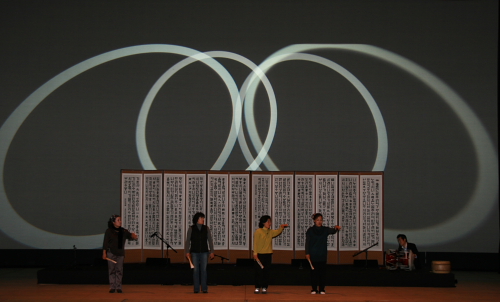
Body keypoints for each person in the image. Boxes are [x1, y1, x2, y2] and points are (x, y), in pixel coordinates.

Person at [305, 213, 341, 295]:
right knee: (314, 273)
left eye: (321, 220)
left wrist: (336, 228)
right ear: (314, 221)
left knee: (322, 273)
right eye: (317, 220)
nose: (319, 222)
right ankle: (314, 289)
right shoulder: (310, 230)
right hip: (313, 254)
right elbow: (307, 243)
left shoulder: (325, 229)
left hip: (322, 254)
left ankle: (322, 289)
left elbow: (332, 231)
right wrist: (307, 253)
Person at [253, 215, 289, 294]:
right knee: (259, 272)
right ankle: (257, 287)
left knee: (266, 271)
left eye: (270, 221)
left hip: (268, 254)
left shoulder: (270, 231)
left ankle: (265, 287)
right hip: (259, 255)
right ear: (263, 222)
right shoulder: (258, 231)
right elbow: (255, 243)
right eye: (268, 221)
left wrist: (281, 227)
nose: (270, 223)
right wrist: (255, 253)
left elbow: (277, 232)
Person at [102, 214, 138, 293]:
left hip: (120, 254)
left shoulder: (123, 231)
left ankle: (118, 287)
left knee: (119, 270)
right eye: (118, 220)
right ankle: (112, 287)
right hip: (111, 253)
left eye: (120, 220)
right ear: (113, 222)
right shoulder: (109, 231)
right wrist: (104, 253)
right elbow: (105, 243)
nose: (120, 222)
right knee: (112, 270)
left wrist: (134, 236)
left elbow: (130, 236)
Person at [185, 212, 215, 293]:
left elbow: (210, 240)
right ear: (197, 219)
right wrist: (187, 251)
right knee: (196, 270)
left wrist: (212, 251)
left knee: (204, 270)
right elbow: (188, 241)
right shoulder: (191, 228)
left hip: (205, 252)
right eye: (202, 218)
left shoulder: (206, 228)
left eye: (203, 218)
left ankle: (204, 288)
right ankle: (196, 288)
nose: (203, 220)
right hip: (194, 252)